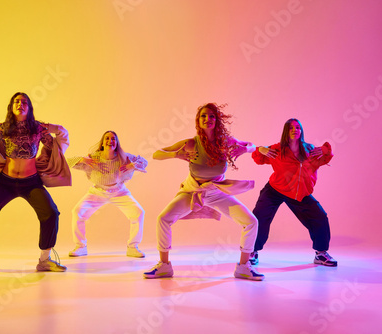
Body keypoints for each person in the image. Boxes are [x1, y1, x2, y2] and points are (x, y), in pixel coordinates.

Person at [143, 103, 264, 281]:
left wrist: (245, 148)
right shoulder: (191, 143)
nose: (208, 119)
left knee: (251, 222)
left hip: (217, 192)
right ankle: (164, 266)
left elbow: (253, 146)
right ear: (198, 121)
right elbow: (156, 154)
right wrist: (176, 154)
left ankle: (243, 267)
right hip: (192, 191)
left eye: (212, 116)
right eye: (203, 116)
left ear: (217, 120)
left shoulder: (225, 142)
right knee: (163, 218)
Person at [0, 92, 71, 273]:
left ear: (29, 107)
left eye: (24, 102)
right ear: (11, 106)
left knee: (51, 213)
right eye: (17, 101)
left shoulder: (38, 129)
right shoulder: (2, 128)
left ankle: (45, 260)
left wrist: (51, 126)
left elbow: (61, 139)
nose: (20, 104)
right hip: (5, 182)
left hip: (31, 183)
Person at [249, 118, 337, 267]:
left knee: (320, 217)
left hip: (298, 193)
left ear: (301, 131)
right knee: (259, 216)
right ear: (286, 131)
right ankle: (252, 252)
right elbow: (258, 157)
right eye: (290, 128)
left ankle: (321, 254)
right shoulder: (278, 149)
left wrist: (324, 149)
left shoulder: (309, 149)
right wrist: (260, 149)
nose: (294, 130)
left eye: (297, 127)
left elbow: (327, 156)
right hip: (275, 189)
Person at [68, 131, 147, 258]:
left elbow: (144, 162)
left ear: (116, 143)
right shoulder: (94, 157)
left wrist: (133, 165)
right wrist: (83, 160)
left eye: (113, 139)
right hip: (97, 192)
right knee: (77, 212)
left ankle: (133, 247)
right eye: (107, 138)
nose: (110, 141)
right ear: (103, 142)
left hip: (119, 191)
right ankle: (80, 246)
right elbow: (67, 162)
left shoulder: (123, 157)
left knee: (138, 212)